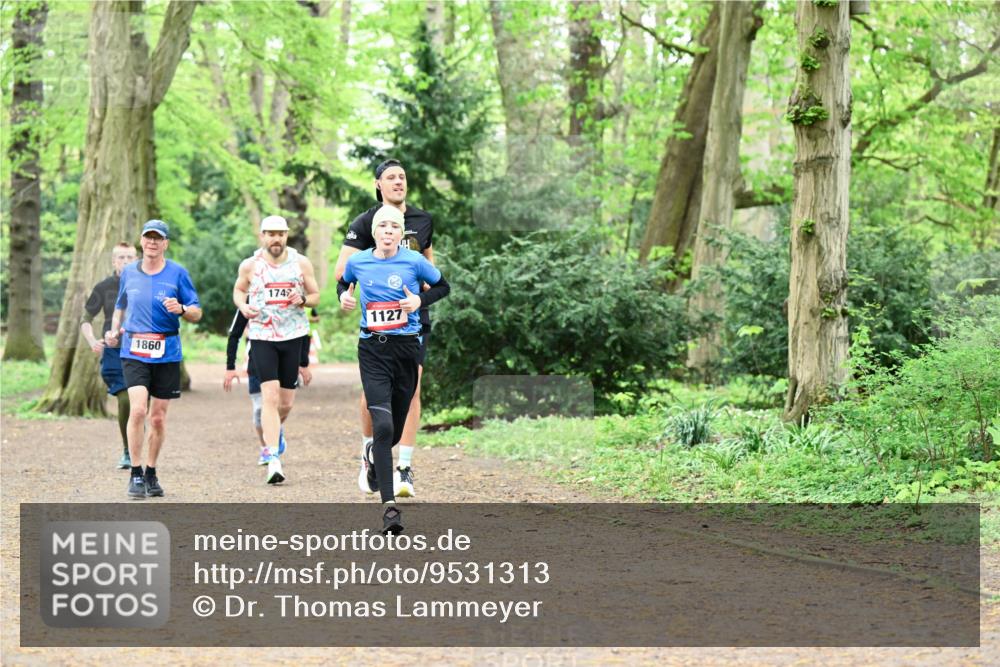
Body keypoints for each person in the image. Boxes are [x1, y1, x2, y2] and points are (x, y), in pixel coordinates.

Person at [339, 205, 450, 534]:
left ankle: (376, 456)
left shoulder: (415, 262)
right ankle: (389, 508)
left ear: (401, 235)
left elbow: (444, 287)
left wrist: (420, 302)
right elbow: (343, 284)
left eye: (394, 226)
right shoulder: (358, 261)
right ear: (374, 232)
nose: (388, 230)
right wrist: (345, 298)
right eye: (382, 225)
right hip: (372, 349)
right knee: (383, 424)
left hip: (406, 349)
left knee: (396, 429)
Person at [334, 158, 435, 498]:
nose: (398, 182)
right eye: (390, 177)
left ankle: (404, 468)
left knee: (413, 389)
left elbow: (430, 267)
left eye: (402, 177)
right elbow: (342, 271)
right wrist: (348, 295)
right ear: (378, 184)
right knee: (373, 393)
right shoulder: (365, 222)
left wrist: (422, 295)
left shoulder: (422, 220)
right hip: (377, 325)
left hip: (413, 318)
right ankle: (371, 455)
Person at [105, 220, 201, 499]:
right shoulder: (129, 273)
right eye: (148, 237)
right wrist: (113, 329)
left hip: (167, 351)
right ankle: (135, 473)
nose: (152, 242)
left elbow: (197, 312)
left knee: (157, 418)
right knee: (137, 411)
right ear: (141, 241)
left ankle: (151, 471)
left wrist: (182, 309)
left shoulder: (178, 273)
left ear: (165, 243)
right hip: (133, 350)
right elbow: (120, 306)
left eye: (158, 238)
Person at [233, 215, 320, 485]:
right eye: (270, 234)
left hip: (293, 335)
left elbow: (316, 295)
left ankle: (274, 433)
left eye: (280, 234)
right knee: (269, 397)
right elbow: (238, 290)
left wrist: (304, 299)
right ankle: (273, 458)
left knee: (285, 403)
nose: (276, 239)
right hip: (262, 336)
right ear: (262, 236)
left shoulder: (300, 262)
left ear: (286, 236)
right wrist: (243, 306)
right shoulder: (250, 265)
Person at [223, 306, 312, 464]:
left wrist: (303, 363)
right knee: (259, 410)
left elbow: (303, 331)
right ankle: (266, 448)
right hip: (258, 363)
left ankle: (274, 431)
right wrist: (230, 367)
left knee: (284, 406)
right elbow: (235, 333)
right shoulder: (251, 300)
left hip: (285, 362)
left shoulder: (288, 295)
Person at [81, 242, 137, 469]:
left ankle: (136, 450)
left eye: (130, 257)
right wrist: (94, 341)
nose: (125, 261)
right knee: (125, 399)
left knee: (140, 405)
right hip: (114, 351)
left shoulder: (147, 283)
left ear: (137, 260)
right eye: (121, 257)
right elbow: (85, 319)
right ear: (114, 261)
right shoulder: (103, 287)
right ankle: (128, 451)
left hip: (142, 349)